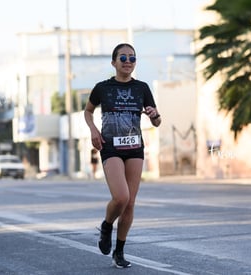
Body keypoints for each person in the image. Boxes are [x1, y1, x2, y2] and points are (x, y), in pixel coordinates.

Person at [84, 43, 161, 268]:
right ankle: (107, 225)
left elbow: (157, 122)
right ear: (114, 62)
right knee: (121, 197)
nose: (128, 61)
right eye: (123, 57)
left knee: (130, 204)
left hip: (135, 147)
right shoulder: (102, 87)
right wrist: (93, 130)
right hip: (111, 147)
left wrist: (155, 116)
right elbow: (88, 111)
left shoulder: (142, 88)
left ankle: (119, 251)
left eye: (132, 58)